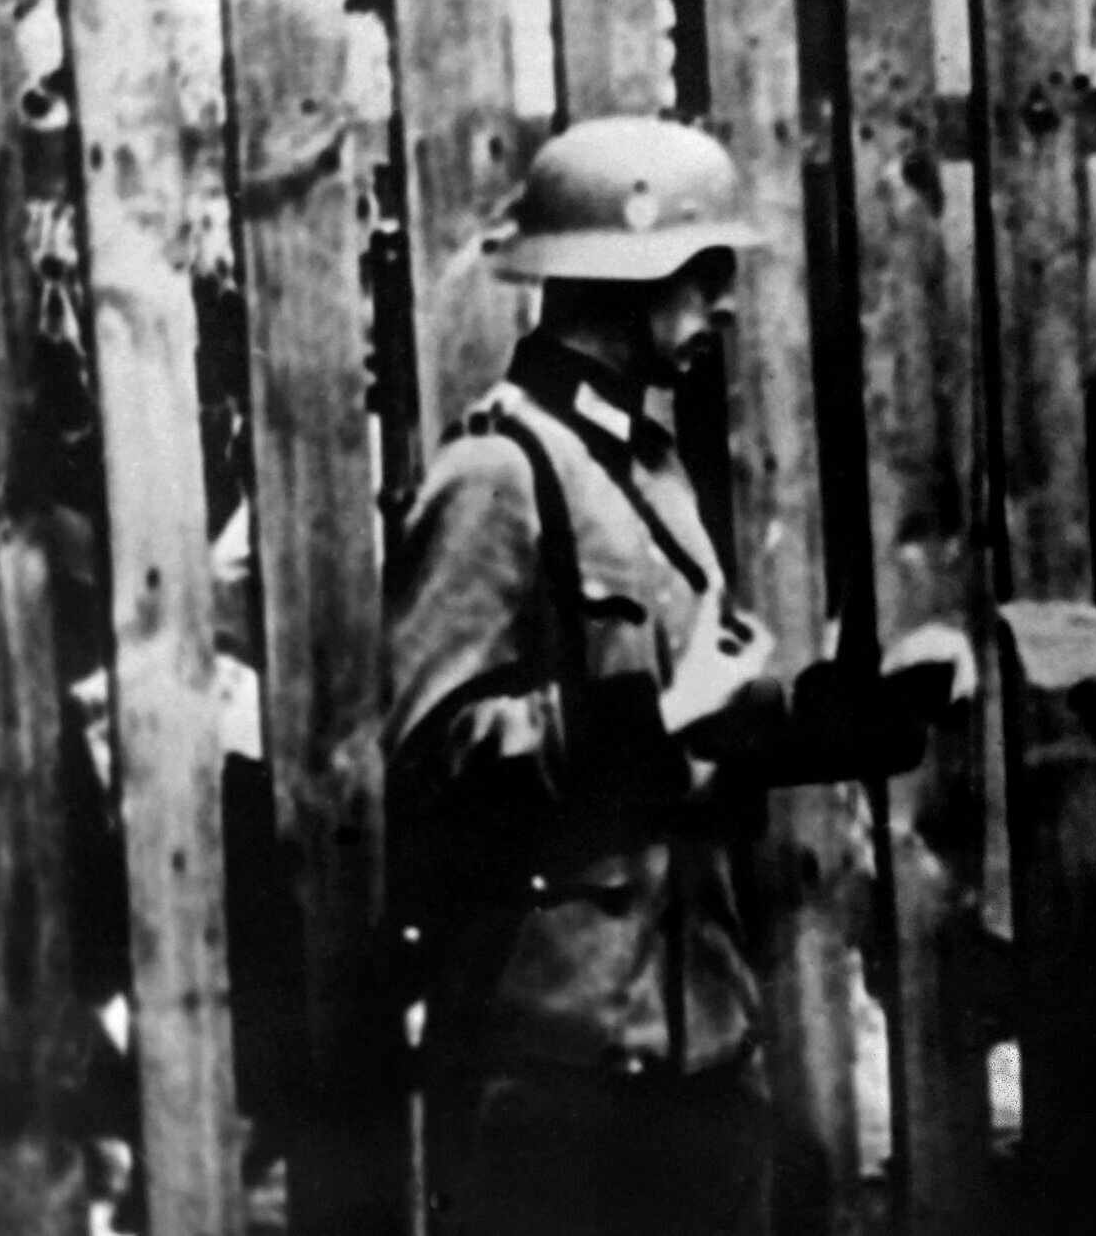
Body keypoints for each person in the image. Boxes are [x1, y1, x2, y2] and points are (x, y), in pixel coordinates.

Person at [382, 117, 974, 1236]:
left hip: (701, 1045)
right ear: (624, 272)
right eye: (706, 273)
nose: (727, 303)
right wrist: (656, 715)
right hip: (558, 1063)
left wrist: (877, 708)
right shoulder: (495, 473)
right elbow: (434, 764)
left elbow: (721, 710)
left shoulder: (645, 466)